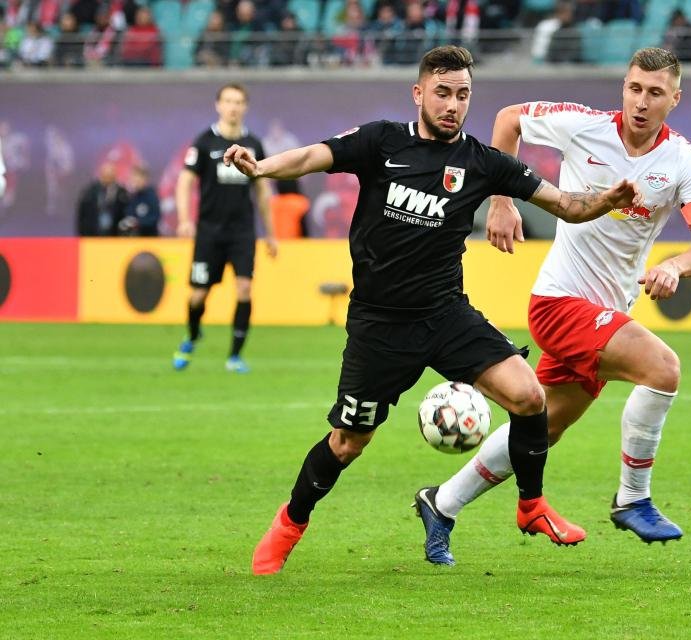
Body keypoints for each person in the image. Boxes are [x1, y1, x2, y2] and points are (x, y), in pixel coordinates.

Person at [227, 45, 642, 574]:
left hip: (446, 315)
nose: (453, 104)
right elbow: (312, 156)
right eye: (442, 93)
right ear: (419, 93)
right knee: (348, 442)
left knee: (528, 395)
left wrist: (609, 198)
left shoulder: (483, 162)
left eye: (463, 95)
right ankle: (290, 523)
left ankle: (531, 506)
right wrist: (260, 168)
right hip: (379, 327)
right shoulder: (381, 141)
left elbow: (567, 205)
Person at [417, 47, 691, 565]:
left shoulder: (681, 161)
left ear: (675, 97)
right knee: (663, 368)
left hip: (609, 313)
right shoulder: (583, 126)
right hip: (560, 303)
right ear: (623, 88)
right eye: (634, 88)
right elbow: (508, 119)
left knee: (541, 427)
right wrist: (500, 199)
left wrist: (675, 265)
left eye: (654, 93)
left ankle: (440, 504)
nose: (641, 102)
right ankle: (633, 497)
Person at [172, 83, 276, 374]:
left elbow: (263, 191)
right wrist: (184, 219)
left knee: (244, 288)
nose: (233, 107)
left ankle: (235, 356)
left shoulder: (254, 145)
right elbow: (184, 182)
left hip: (242, 232)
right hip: (209, 232)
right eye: (228, 101)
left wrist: (271, 233)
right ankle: (193, 334)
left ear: (245, 107)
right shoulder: (204, 143)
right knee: (198, 294)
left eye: (238, 102)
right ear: (218, 105)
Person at [76, 161, 129, 236]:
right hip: (93, 236)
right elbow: (82, 215)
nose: (107, 179)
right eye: (105, 176)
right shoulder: (90, 192)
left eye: (110, 176)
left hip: (115, 237)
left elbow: (126, 216)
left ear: (115, 176)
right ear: (101, 175)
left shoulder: (122, 193)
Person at [120, 164, 161, 236]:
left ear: (145, 179)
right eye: (133, 178)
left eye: (137, 178)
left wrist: (138, 222)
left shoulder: (151, 195)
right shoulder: (131, 196)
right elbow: (129, 213)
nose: (134, 181)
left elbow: (155, 217)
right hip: (134, 237)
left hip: (149, 238)